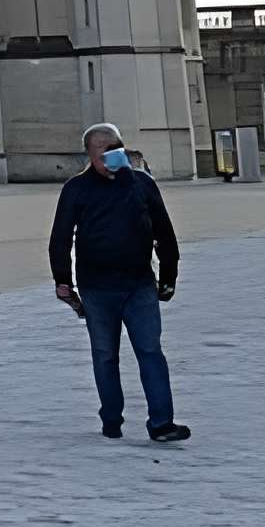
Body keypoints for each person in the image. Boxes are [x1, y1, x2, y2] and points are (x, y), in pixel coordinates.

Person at [49, 122, 189, 444]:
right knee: (105, 355)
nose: (112, 157)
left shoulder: (140, 183)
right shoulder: (77, 189)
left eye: (117, 149)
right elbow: (60, 239)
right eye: (104, 152)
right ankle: (111, 419)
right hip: (97, 288)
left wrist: (168, 277)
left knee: (150, 351)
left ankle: (161, 423)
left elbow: (164, 232)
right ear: (90, 155)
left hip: (139, 285)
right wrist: (62, 280)